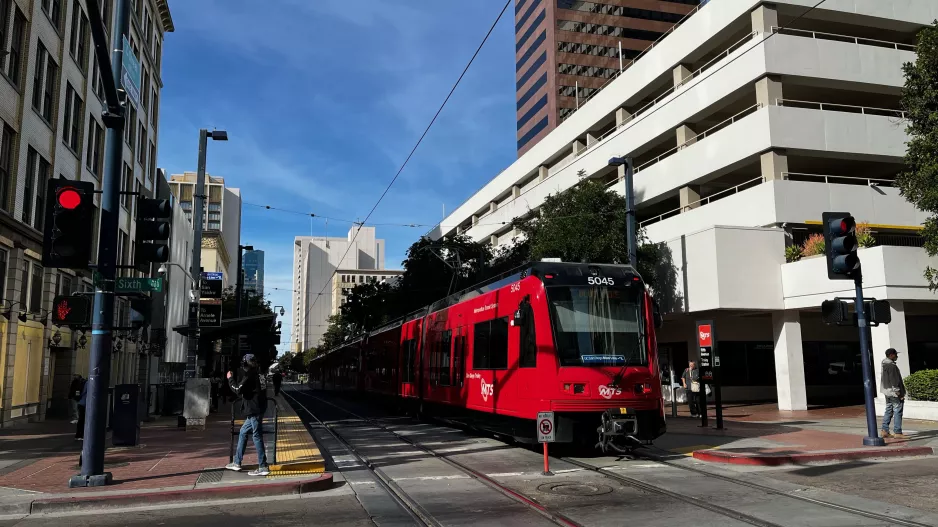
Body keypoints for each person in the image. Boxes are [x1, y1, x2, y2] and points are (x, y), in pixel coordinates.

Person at [225, 354, 270, 476]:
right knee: (243, 432)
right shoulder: (260, 374)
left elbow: (238, 389)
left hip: (254, 409)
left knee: (256, 436)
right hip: (259, 407)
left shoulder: (249, 375)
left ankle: (263, 466)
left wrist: (230, 378)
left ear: (245, 364)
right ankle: (237, 462)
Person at [881, 348, 907, 439]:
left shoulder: (884, 365)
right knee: (898, 410)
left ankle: (884, 430)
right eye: (896, 354)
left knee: (888, 409)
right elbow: (894, 381)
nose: (897, 356)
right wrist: (899, 394)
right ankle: (898, 432)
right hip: (893, 393)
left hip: (886, 391)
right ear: (891, 355)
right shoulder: (892, 366)